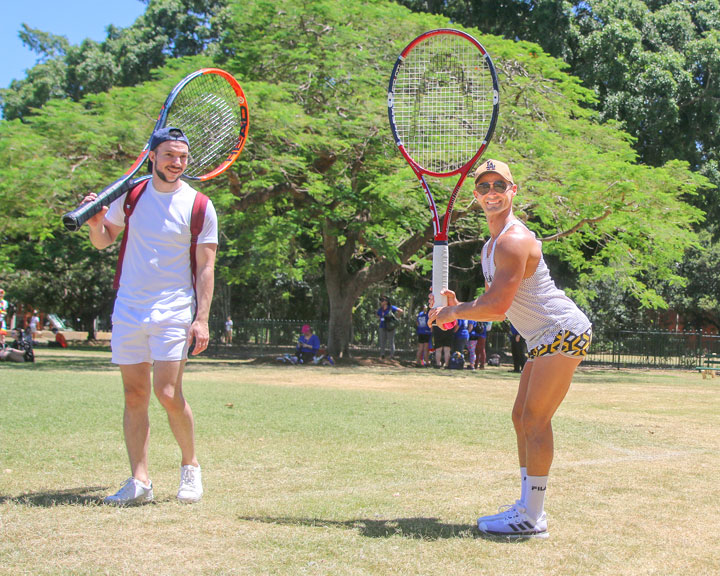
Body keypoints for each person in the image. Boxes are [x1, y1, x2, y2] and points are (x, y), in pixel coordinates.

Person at [429, 159, 591, 539]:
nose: (491, 193)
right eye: (483, 187)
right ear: (475, 195)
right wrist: (460, 304)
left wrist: (455, 310)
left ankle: (532, 518)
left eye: (499, 185)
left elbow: (497, 308)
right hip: (542, 337)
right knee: (521, 416)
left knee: (535, 419)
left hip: (561, 330)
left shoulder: (514, 240)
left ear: (512, 191)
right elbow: (496, 304)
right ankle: (526, 507)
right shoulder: (492, 245)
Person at [82, 126, 218, 506]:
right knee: (135, 394)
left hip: (174, 306)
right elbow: (104, 239)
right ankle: (139, 481)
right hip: (129, 305)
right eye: (170, 156)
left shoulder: (199, 205)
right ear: (153, 156)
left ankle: (190, 466)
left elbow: (206, 267)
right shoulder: (132, 193)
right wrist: (95, 225)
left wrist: (201, 318)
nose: (177, 163)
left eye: (183, 157)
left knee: (168, 393)